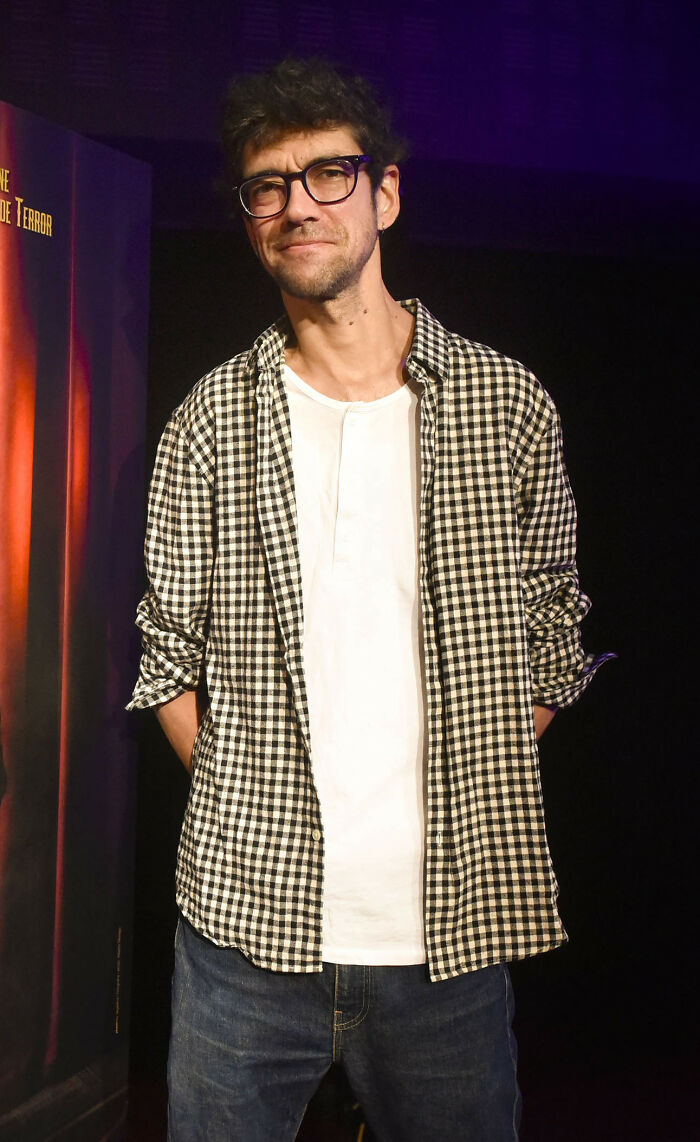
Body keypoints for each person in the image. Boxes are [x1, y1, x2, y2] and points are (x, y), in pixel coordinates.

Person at [128, 57, 612, 1142]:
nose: (297, 202)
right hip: (244, 939)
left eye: (327, 172)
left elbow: (552, 629)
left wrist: (478, 760)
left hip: (445, 932)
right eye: (267, 184)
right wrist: (252, 808)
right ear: (251, 220)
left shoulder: (505, 403)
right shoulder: (209, 422)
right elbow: (166, 654)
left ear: (384, 192)